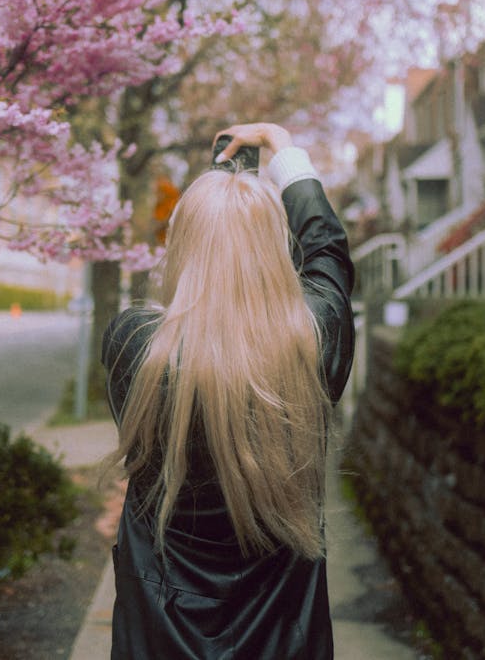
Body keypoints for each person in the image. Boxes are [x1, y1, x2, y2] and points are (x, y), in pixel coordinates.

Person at [101, 122, 355, 659]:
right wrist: (283, 152)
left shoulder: (136, 349)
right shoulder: (311, 344)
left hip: (159, 638)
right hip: (284, 640)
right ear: (274, 247)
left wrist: (216, 196)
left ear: (186, 245)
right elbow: (328, 254)